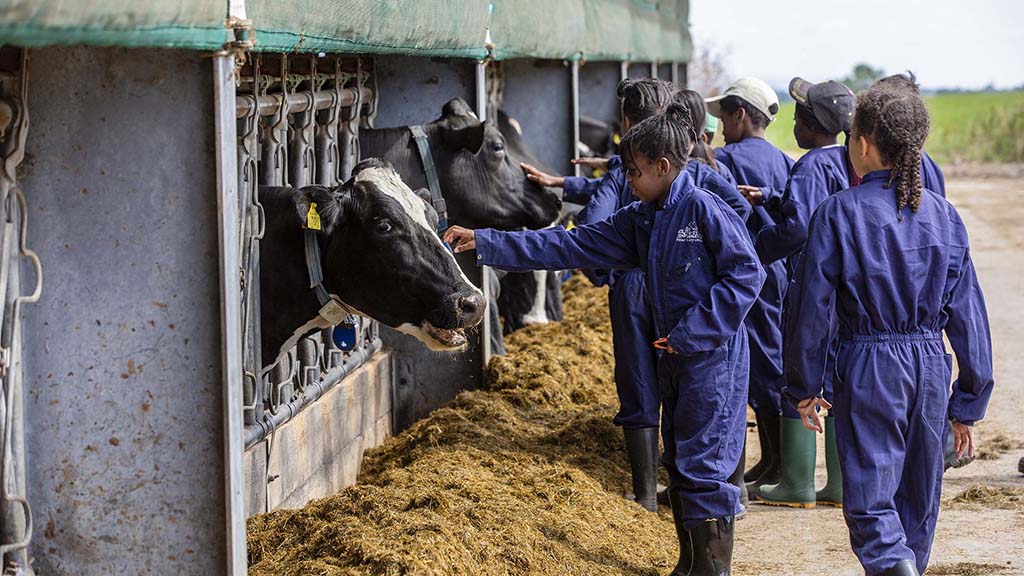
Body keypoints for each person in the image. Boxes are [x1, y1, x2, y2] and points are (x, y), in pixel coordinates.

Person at [445, 103, 766, 575]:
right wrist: (488, 241)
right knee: (680, 461)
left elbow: (747, 274)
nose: (627, 181)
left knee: (704, 466)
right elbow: (570, 244)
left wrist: (692, 331)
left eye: (634, 171)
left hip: (712, 360)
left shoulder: (701, 208)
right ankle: (689, 564)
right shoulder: (642, 219)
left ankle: (711, 570)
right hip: (676, 356)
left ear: (663, 166)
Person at [785, 78, 994, 576]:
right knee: (917, 501)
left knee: (871, 499)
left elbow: (811, 309)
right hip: (930, 368)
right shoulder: (945, 216)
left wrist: (805, 386)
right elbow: (969, 314)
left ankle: (895, 568)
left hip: (870, 366)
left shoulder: (838, 213)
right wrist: (968, 401)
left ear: (862, 143)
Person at [521, 78, 677, 512]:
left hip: (635, 286)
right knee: (683, 380)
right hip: (679, 284)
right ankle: (693, 487)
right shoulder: (685, 162)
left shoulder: (622, 170)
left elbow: (594, 222)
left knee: (639, 381)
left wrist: (601, 272)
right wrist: (566, 182)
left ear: (626, 122)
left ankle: (645, 494)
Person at [737, 77, 855, 508]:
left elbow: (798, 227)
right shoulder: (845, 161)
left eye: (798, 116)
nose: (792, 123)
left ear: (810, 124)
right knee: (838, 378)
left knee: (798, 370)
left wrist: (755, 248)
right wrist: (770, 197)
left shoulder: (808, 166)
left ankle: (797, 483)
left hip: (809, 282)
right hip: (846, 286)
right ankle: (839, 484)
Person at [706, 77, 794, 502]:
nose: (721, 127)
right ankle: (776, 460)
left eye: (725, 117)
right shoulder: (785, 161)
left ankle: (775, 463)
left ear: (740, 114)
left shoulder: (724, 159)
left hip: (747, 272)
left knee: (758, 364)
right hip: (779, 271)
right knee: (774, 356)